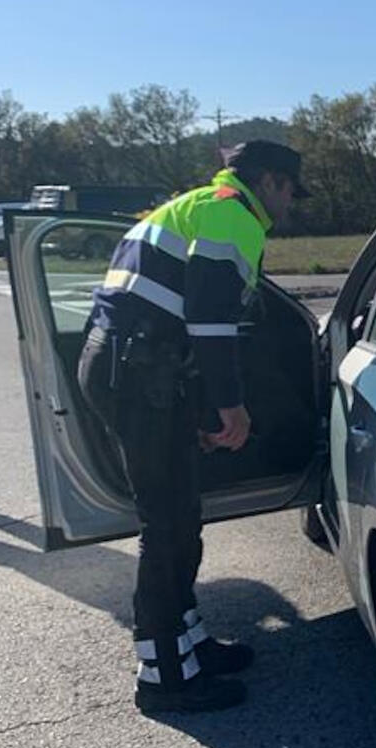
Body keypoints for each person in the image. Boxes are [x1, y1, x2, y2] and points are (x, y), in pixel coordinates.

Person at [77, 141, 310, 711]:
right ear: (269, 180)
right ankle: (162, 679)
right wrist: (230, 408)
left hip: (138, 371)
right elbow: (211, 323)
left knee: (181, 518)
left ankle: (186, 643)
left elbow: (184, 314)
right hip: (140, 376)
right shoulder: (233, 216)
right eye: (289, 191)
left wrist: (200, 411)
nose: (290, 205)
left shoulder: (200, 206)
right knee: (167, 527)